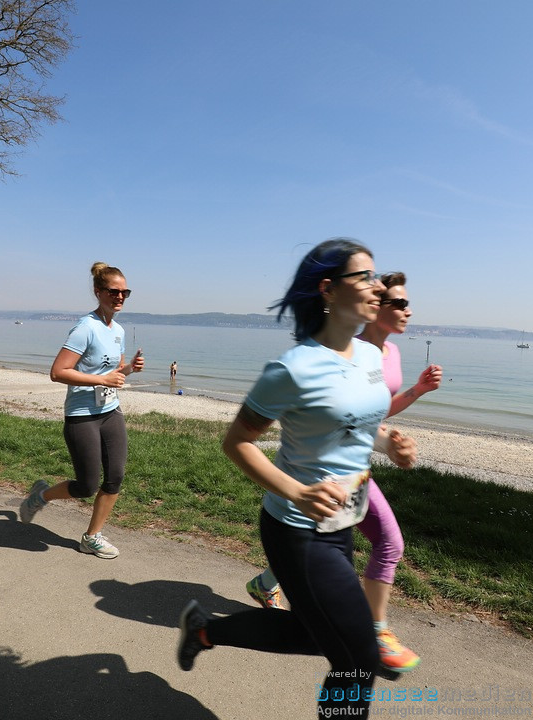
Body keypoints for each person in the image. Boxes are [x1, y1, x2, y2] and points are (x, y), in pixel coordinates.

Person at [177, 239, 417, 720]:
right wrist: (297, 490)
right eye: (364, 276)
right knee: (359, 658)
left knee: (317, 633)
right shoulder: (293, 368)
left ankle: (204, 629)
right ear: (328, 290)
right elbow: (237, 442)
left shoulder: (370, 357)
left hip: (343, 522)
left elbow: (357, 425)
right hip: (296, 529)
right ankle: (205, 630)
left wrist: (387, 443)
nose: (378, 285)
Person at [244, 272, 442, 677]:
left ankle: (267, 588)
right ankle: (374, 630)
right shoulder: (345, 353)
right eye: (399, 303)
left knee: (326, 551)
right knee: (385, 544)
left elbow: (373, 414)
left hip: (352, 471)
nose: (408, 310)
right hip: (324, 474)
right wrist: (382, 442)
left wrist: (413, 398)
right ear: (375, 306)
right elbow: (338, 418)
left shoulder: (386, 355)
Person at [18, 262, 145, 559]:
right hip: (82, 416)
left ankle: (91, 537)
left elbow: (113, 370)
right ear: (98, 291)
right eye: (114, 291)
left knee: (115, 477)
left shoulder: (118, 330)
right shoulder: (85, 328)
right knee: (86, 485)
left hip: (110, 410)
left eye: (125, 291)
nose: (120, 297)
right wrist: (102, 378)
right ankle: (41, 496)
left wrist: (128, 369)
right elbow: (58, 371)